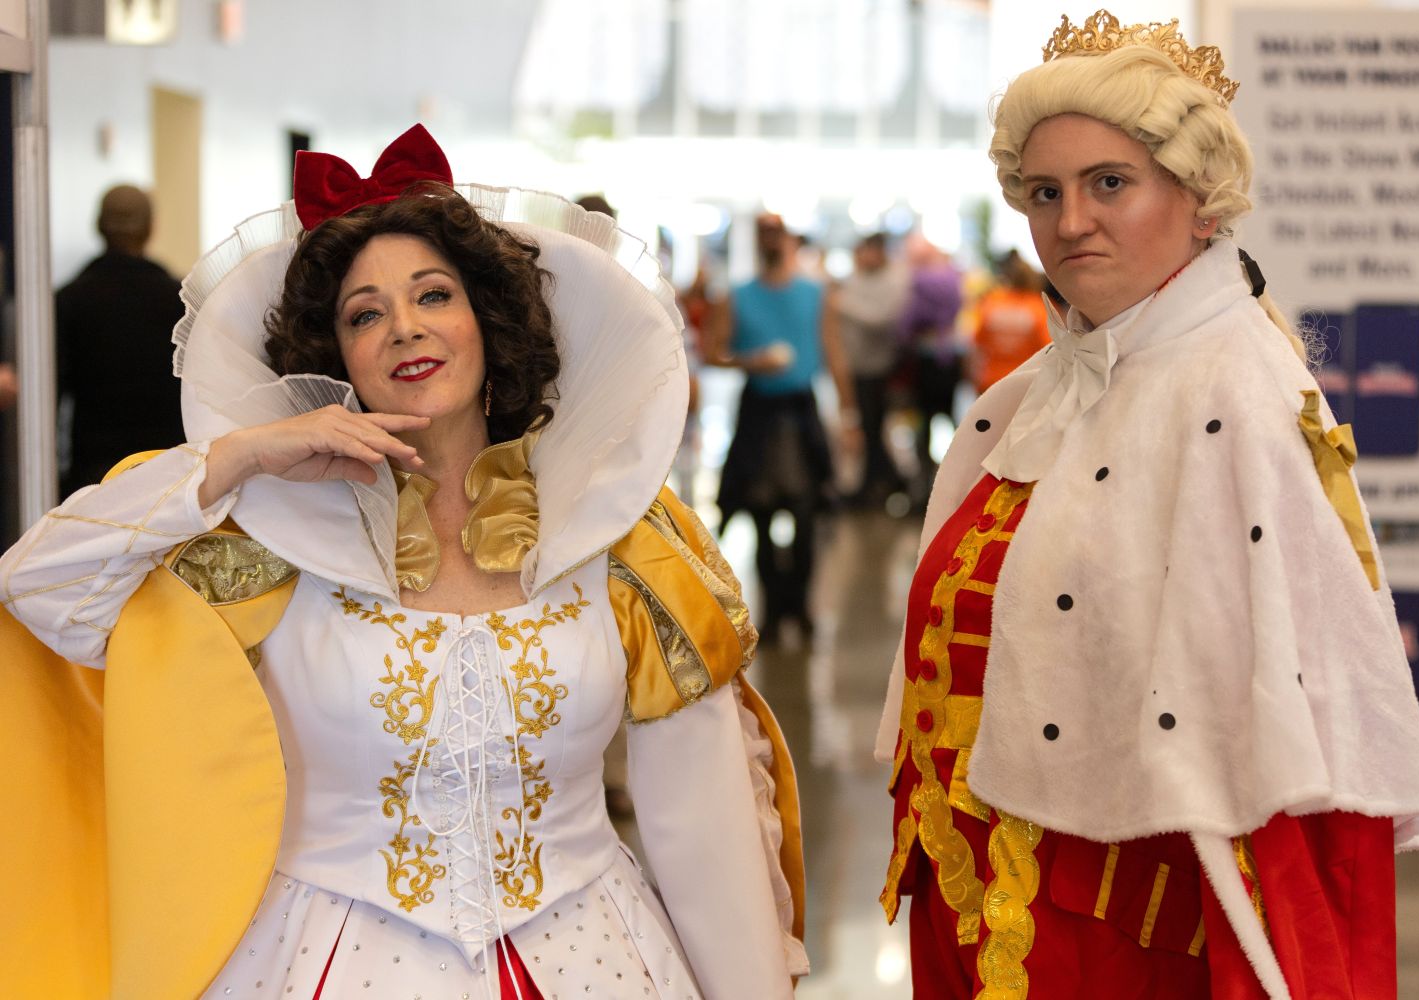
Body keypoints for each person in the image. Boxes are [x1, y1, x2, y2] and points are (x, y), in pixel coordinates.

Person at [2, 125, 806, 1000]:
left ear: (487, 323)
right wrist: (240, 457)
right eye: (365, 313)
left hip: (593, 960)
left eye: (434, 295)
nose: (405, 328)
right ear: (333, 357)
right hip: (318, 964)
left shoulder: (617, 533)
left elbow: (708, 821)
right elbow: (41, 585)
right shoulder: (261, 541)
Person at [875, 12, 1419, 999]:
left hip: (1126, 935)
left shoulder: (1239, 394)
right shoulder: (1016, 402)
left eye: (1110, 183)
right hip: (973, 901)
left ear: (1201, 202)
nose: (1069, 222)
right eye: (1044, 192)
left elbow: (1287, 753)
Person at [710, 212, 855, 644]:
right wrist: (750, 361)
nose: (772, 241)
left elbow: (833, 352)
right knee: (760, 512)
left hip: (800, 410)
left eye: (777, 233)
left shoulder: (815, 293)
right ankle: (773, 610)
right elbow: (713, 350)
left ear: (790, 239)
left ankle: (802, 607)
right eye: (765, 234)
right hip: (759, 411)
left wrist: (849, 418)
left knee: (808, 512)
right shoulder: (735, 296)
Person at [55, 183, 186, 496]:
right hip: (169, 474)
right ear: (150, 228)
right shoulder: (181, 300)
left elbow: (53, 396)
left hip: (92, 480)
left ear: (98, 227)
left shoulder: (68, 300)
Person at [836, 232, 908, 507]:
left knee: (873, 426)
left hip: (880, 366)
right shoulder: (855, 279)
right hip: (856, 364)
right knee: (867, 427)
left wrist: (843, 305)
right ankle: (884, 479)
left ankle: (884, 481)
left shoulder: (894, 280)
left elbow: (881, 319)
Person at [900, 236, 965, 496]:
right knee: (951, 417)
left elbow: (908, 322)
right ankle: (959, 473)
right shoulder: (954, 277)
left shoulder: (919, 282)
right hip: (950, 355)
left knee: (924, 420)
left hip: (926, 358)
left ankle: (925, 481)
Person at [969, 248, 1050, 394]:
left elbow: (976, 345)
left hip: (991, 383)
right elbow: (1049, 350)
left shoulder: (992, 303)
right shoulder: (1040, 308)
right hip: (1025, 386)